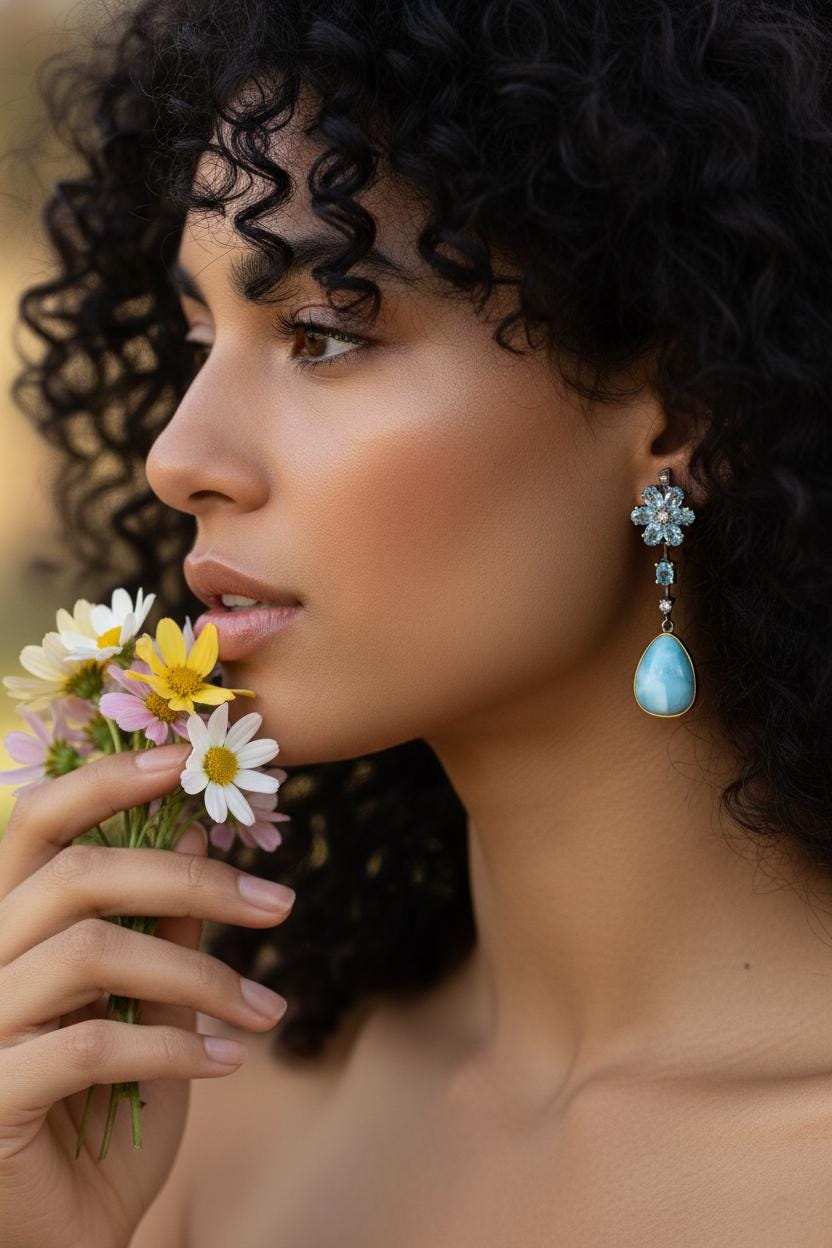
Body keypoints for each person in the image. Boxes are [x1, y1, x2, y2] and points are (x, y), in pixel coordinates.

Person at [1, 0, 831, 1243]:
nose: (179, 457)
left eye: (323, 332)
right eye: (193, 339)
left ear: (683, 415)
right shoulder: (160, 1122)